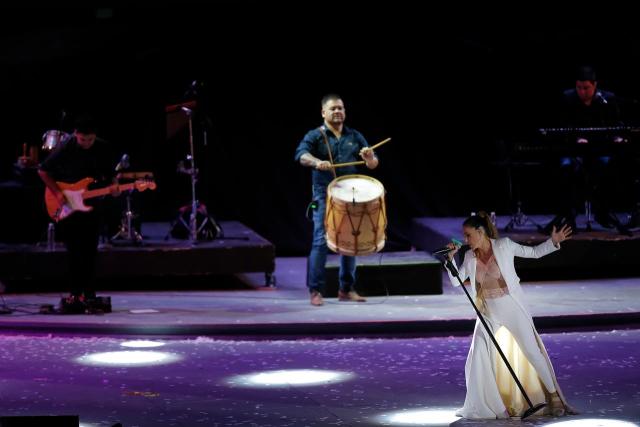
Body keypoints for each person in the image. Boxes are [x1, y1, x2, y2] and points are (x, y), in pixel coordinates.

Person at [445, 212, 577, 419]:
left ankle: (554, 397)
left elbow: (533, 252)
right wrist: (450, 260)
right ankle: (487, 405)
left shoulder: (504, 245)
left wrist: (553, 241)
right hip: (488, 313)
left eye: (468, 235)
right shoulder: (470, 257)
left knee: (532, 352)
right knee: (477, 354)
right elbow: (456, 281)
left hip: (512, 308)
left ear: (480, 233)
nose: (465, 240)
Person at [294, 94, 379, 306]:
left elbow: (373, 164)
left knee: (351, 241)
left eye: (340, 108)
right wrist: (316, 162)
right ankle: (316, 291)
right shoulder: (316, 135)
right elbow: (301, 155)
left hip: (351, 193)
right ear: (324, 112)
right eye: (332, 109)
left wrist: (369, 158)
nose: (337, 111)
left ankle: (346, 289)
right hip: (324, 193)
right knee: (321, 240)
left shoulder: (354, 135)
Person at [38, 114, 118, 312]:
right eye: (83, 139)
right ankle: (75, 294)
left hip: (92, 203)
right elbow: (43, 170)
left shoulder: (103, 147)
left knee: (91, 249)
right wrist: (57, 193)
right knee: (74, 250)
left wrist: (115, 186)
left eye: (90, 139)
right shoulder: (67, 145)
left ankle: (89, 294)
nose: (86, 143)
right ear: (76, 135)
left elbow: (112, 174)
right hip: (69, 204)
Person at [546, 65, 631, 235]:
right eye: (579, 87)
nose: (582, 91)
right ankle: (569, 217)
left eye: (586, 88)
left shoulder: (607, 100)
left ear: (595, 85)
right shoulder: (567, 99)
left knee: (610, 167)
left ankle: (603, 212)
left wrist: (617, 137)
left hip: (600, 151)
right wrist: (576, 139)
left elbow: (616, 126)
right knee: (567, 168)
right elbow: (562, 127)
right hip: (575, 151)